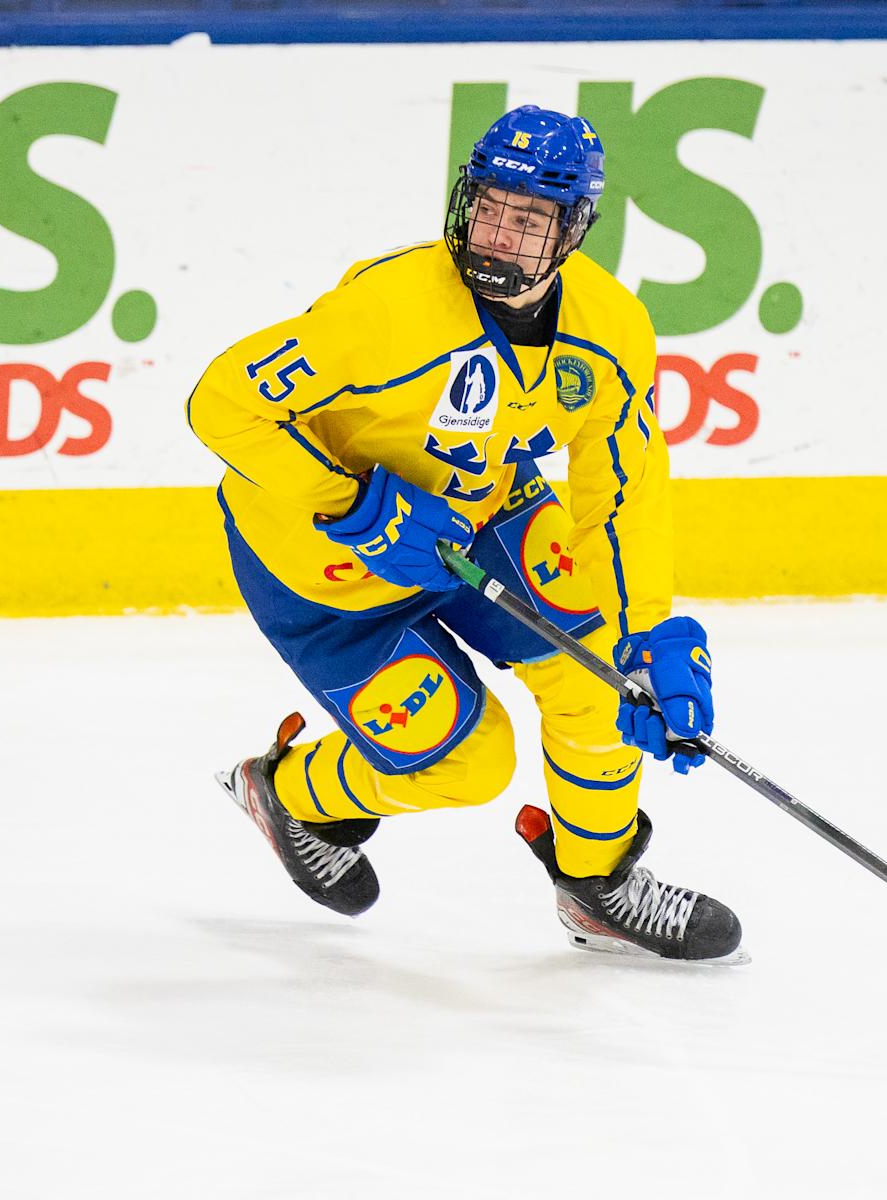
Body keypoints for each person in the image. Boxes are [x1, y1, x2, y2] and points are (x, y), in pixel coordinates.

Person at [186, 105, 742, 963]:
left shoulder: (610, 329)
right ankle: (293, 796)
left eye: (528, 221)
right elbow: (222, 402)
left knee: (597, 670)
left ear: (573, 230)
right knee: (468, 762)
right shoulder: (388, 312)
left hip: (482, 513)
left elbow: (620, 488)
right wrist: (351, 503)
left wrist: (650, 632)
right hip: (320, 560)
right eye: (488, 206)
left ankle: (597, 888)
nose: (497, 235)